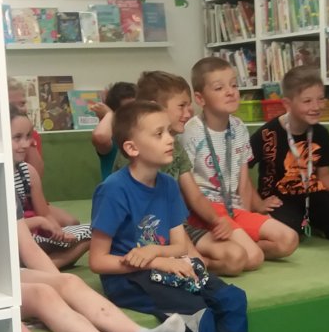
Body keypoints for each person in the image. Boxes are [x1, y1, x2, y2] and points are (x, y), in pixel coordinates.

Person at [90, 101, 261, 332]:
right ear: (132, 148)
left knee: (233, 299)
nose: (170, 139)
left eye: (169, 131)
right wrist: (153, 260)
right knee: (199, 316)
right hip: (128, 279)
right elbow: (98, 261)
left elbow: (180, 245)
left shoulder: (168, 185)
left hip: (164, 266)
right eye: (159, 134)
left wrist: (157, 253)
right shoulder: (113, 189)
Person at [18, 194, 184, 332]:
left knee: (70, 281)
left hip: (8, 273)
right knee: (43, 294)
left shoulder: (4, 187)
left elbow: (29, 248)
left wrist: (60, 285)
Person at [116, 71, 252, 276]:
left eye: (189, 105)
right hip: (146, 231)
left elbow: (194, 195)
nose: (189, 113)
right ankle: (196, 263)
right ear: (155, 107)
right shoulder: (134, 153)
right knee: (197, 266)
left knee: (237, 257)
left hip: (177, 228)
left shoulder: (176, 147)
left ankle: (199, 262)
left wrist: (217, 220)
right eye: (181, 106)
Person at [182, 57, 299, 262]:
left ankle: (240, 250)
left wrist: (246, 216)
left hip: (234, 208)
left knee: (288, 240)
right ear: (200, 99)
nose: (230, 92)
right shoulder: (191, 131)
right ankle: (220, 253)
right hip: (207, 211)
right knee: (253, 258)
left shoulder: (239, 127)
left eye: (234, 85)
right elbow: (187, 189)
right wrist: (216, 220)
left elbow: (243, 182)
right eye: (219, 88)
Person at [249, 65, 329, 240]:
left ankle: (313, 223)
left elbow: (325, 175)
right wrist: (257, 203)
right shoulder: (267, 134)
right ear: (287, 104)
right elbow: (241, 169)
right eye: (307, 101)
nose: (316, 106)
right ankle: (300, 223)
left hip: (312, 195)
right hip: (278, 199)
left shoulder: (321, 133)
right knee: (291, 230)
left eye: (321, 99)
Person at [12, 107, 88, 267]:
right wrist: (38, 222)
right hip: (12, 240)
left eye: (28, 136)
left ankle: (41, 267)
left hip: (33, 237)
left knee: (94, 232)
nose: (25, 144)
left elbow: (45, 213)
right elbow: (4, 228)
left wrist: (58, 232)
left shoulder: (28, 172)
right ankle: (38, 267)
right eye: (17, 138)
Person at [91, 81, 137, 180]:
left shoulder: (145, 138)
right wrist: (109, 114)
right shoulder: (113, 141)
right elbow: (100, 136)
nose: (135, 115)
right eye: (128, 111)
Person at [8, 77, 45, 178]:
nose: (20, 109)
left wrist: (28, 135)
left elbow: (36, 176)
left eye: (22, 103)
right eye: (11, 105)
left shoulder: (32, 136)